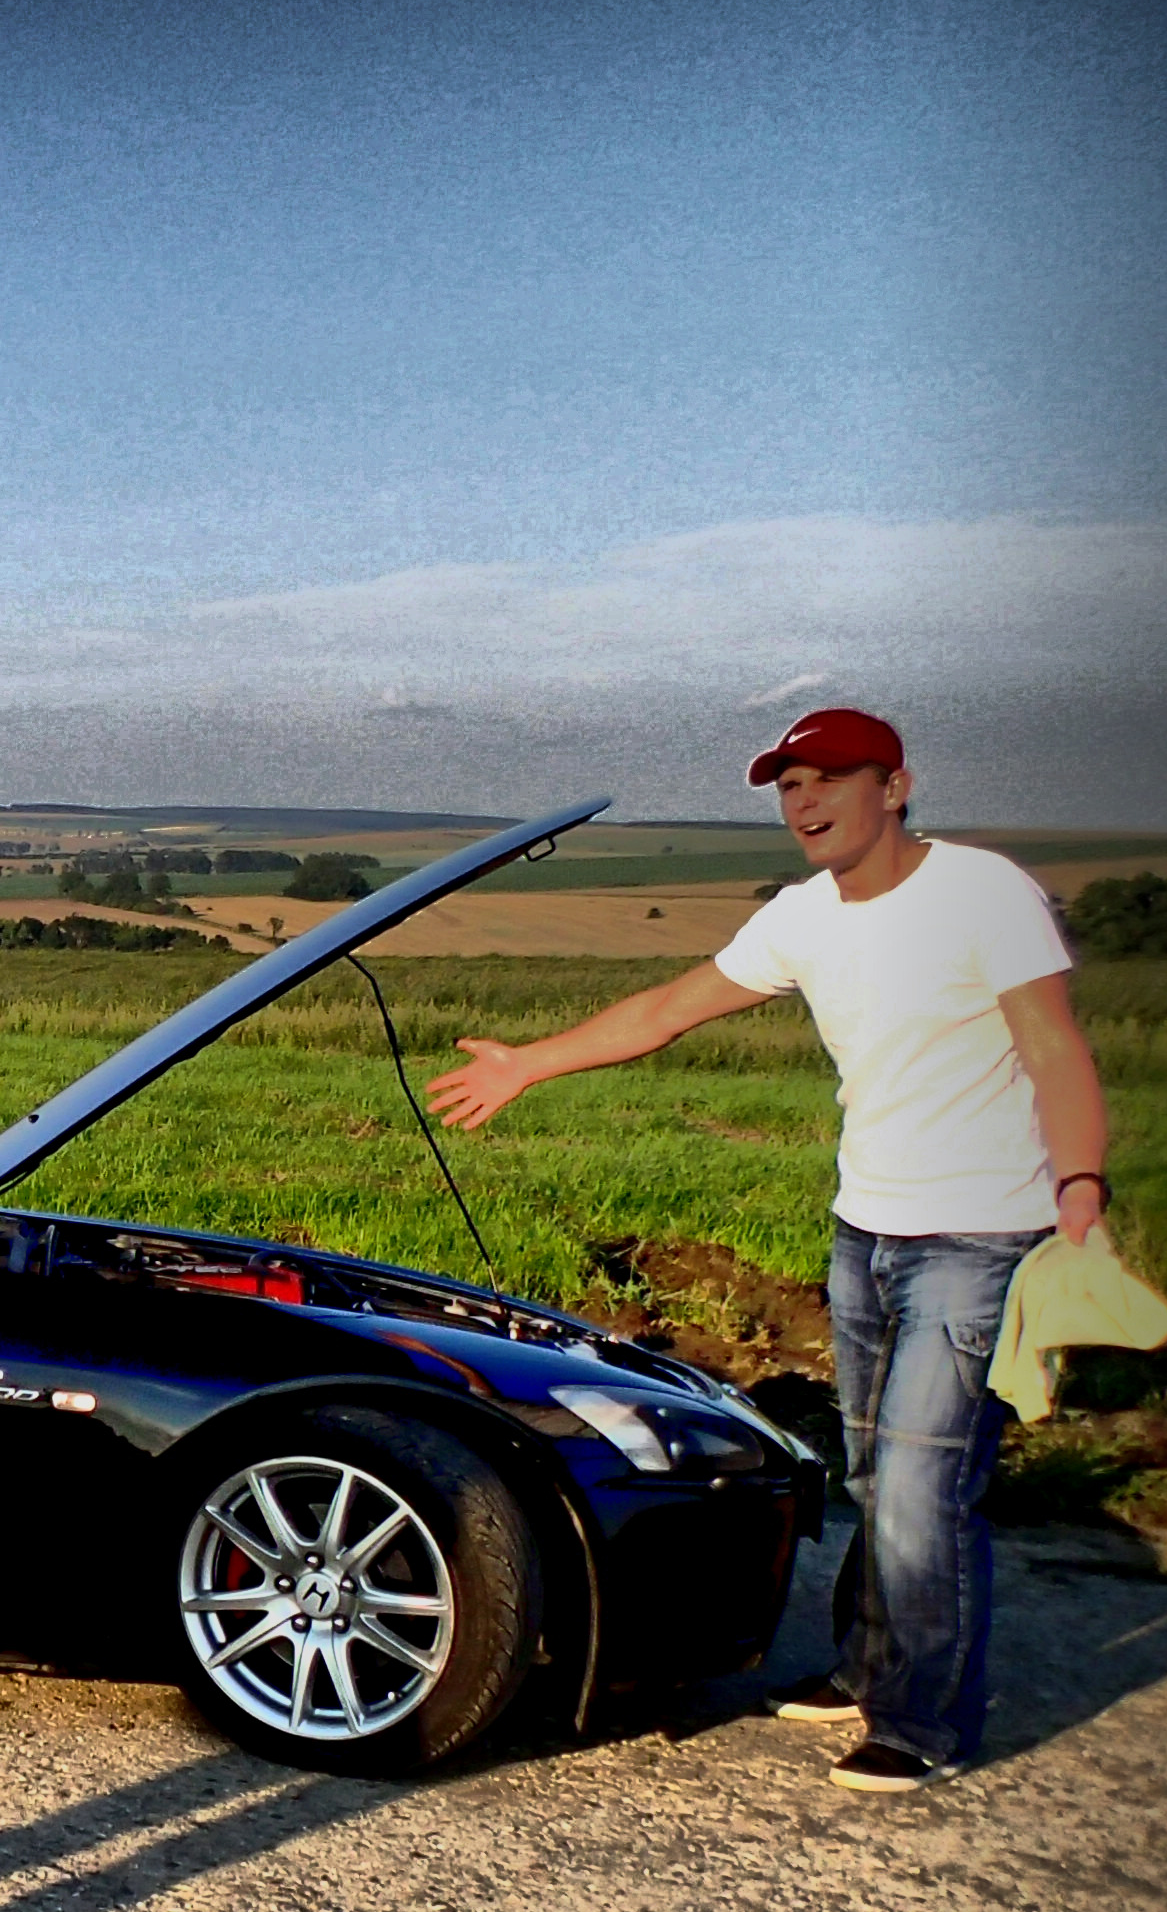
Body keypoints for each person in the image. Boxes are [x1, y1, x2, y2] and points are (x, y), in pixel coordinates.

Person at [426, 708, 1109, 1791]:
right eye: (788, 785)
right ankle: (868, 1667)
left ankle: (921, 1721)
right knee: (877, 1473)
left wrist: (1078, 1186)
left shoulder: (982, 892)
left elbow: (1051, 1046)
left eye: (828, 777)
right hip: (865, 1229)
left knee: (924, 1482)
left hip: (982, 1232)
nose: (804, 800)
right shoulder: (801, 915)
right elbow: (667, 1008)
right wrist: (527, 1064)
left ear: (894, 786)